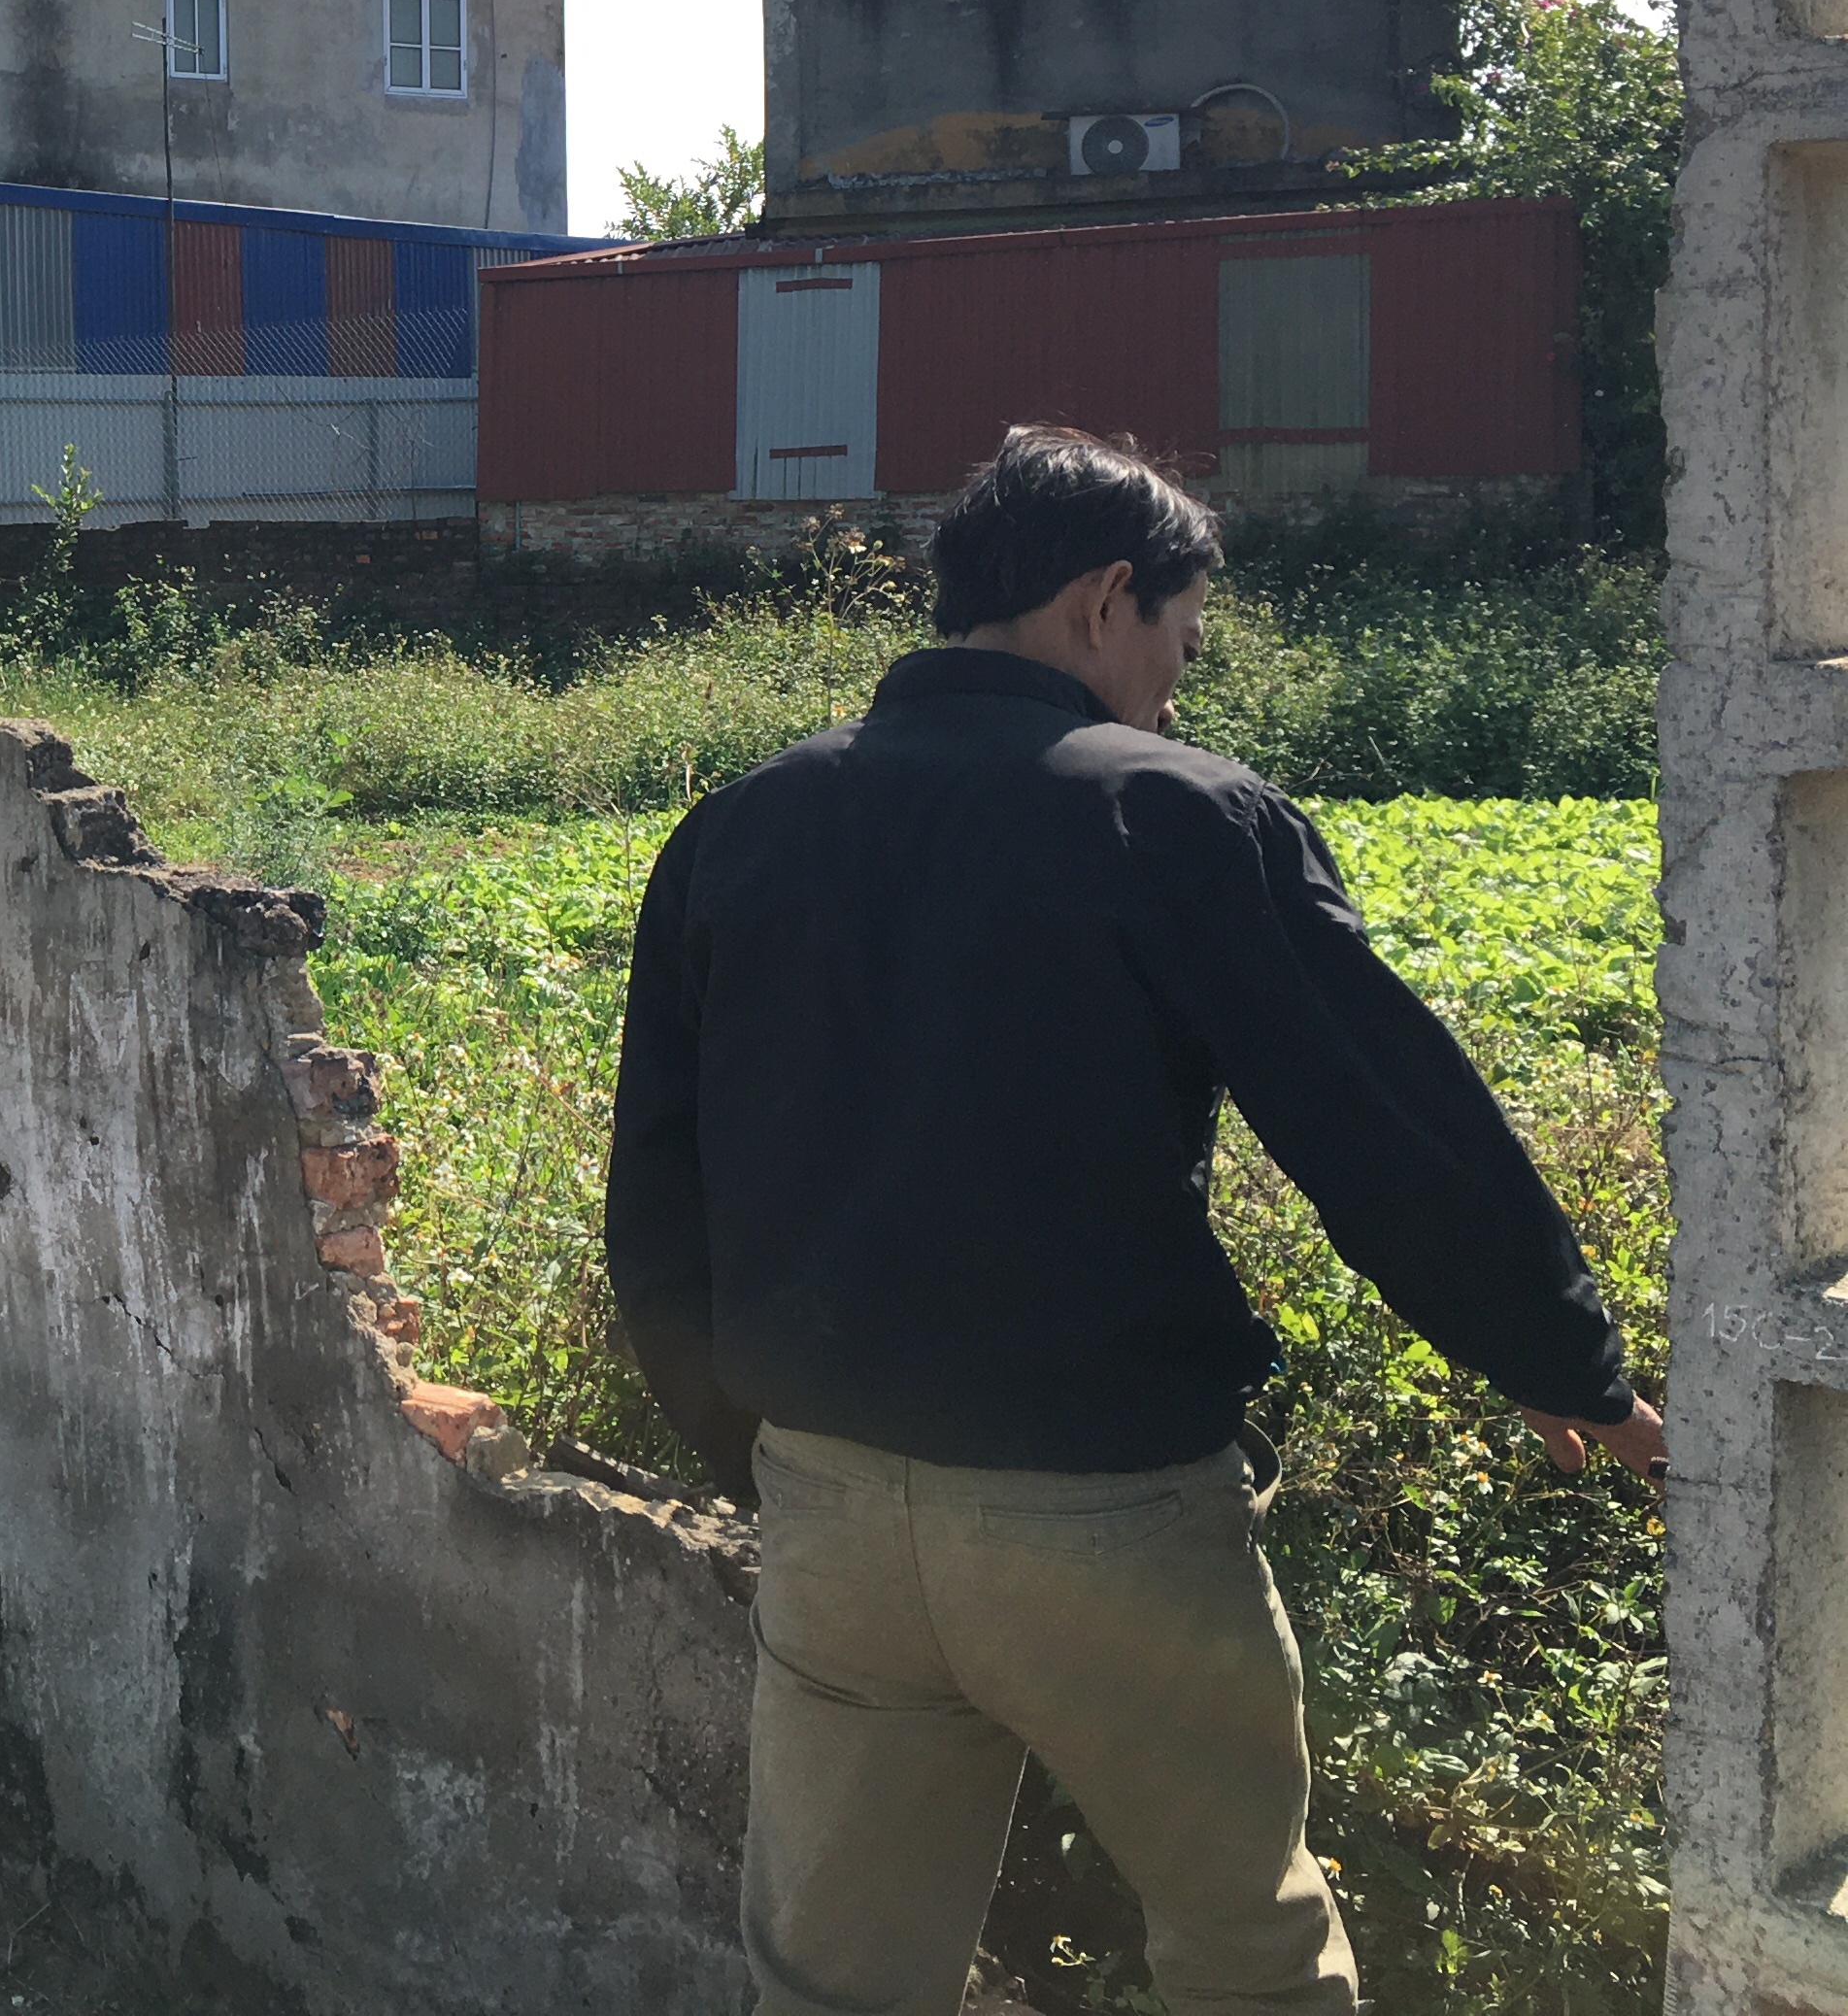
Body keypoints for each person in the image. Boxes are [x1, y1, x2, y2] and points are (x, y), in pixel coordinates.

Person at [603, 425, 1661, 2016]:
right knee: (1248, 1963)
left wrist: (754, 1452)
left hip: (832, 1507)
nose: (1176, 685)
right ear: (1106, 601)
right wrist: (1561, 1360)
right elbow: (1381, 1125)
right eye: (1182, 637)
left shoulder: (742, 824)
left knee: (832, 1982)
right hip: (1102, 1512)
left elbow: (660, 1193)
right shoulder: (1177, 815)